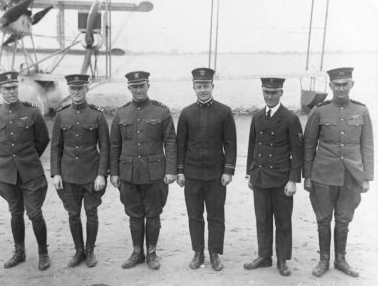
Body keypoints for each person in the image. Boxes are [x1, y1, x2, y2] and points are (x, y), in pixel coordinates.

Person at [303, 67, 374, 278]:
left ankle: (340, 259)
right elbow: (309, 146)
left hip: (351, 176)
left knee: (344, 220)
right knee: (323, 219)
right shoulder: (319, 111)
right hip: (323, 175)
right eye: (337, 85)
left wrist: (367, 177)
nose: (341, 88)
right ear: (331, 86)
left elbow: (367, 146)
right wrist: (307, 176)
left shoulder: (361, 111)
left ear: (352, 85)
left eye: (345, 84)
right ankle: (324, 260)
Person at [110, 71, 177, 270]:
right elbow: (115, 145)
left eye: (142, 85)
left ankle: (152, 253)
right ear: (129, 88)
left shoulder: (161, 111)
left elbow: (171, 142)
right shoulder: (121, 113)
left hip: (155, 173)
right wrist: (114, 173)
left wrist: (170, 170)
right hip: (128, 173)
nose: (138, 90)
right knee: (134, 214)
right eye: (134, 86)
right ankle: (137, 252)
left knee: (153, 213)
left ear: (148, 85)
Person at [0, 71, 50, 270]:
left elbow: (42, 140)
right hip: (6, 175)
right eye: (7, 89)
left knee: (35, 213)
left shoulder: (32, 112)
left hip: (31, 173)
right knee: (15, 213)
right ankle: (19, 251)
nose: (11, 91)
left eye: (14, 87)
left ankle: (43, 252)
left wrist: (27, 158)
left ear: (18, 88)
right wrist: (9, 160)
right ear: (0, 90)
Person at [176, 67, 237, 271]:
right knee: (194, 215)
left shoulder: (224, 111)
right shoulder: (186, 113)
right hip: (192, 174)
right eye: (199, 86)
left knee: (216, 215)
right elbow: (180, 145)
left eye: (206, 86)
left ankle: (215, 253)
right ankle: (198, 252)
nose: (203, 90)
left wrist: (228, 171)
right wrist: (180, 171)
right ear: (193, 87)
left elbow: (230, 144)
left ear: (213, 86)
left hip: (216, 175)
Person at [244, 78, 303, 276]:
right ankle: (264, 256)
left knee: (283, 221)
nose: (269, 96)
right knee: (262, 218)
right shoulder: (258, 116)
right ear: (262, 91)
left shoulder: (290, 118)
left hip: (281, 179)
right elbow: (253, 146)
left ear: (281, 93)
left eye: (274, 92)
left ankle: (282, 260)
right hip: (260, 177)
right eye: (266, 92)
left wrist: (293, 180)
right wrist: (250, 174)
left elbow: (297, 152)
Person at [50, 74, 109, 268]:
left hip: (91, 175)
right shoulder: (61, 115)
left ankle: (90, 251)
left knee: (91, 213)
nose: (76, 92)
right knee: (73, 214)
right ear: (69, 90)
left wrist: (101, 174)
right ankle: (78, 251)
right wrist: (56, 173)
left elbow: (105, 148)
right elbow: (56, 147)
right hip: (68, 176)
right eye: (73, 89)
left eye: (80, 89)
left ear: (87, 90)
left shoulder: (97, 115)